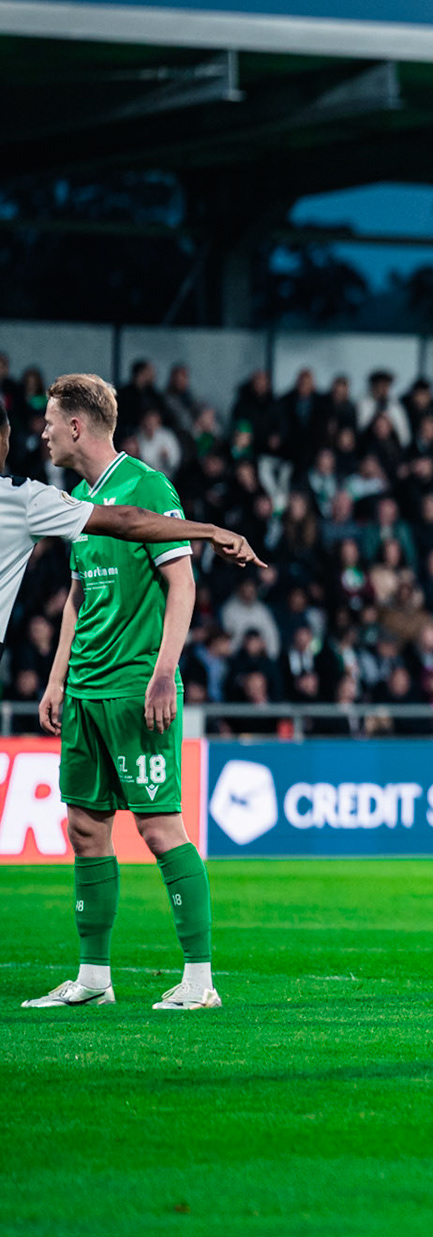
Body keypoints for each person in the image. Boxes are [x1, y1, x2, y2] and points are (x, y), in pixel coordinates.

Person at [19, 375, 263, 1013]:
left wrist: (164, 670)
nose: (43, 432)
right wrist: (57, 677)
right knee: (84, 828)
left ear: (77, 426)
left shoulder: (149, 488)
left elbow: (182, 583)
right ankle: (93, 977)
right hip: (86, 689)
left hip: (136, 686)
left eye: (50, 422)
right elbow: (78, 597)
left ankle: (200, 980)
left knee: (158, 828)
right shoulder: (77, 501)